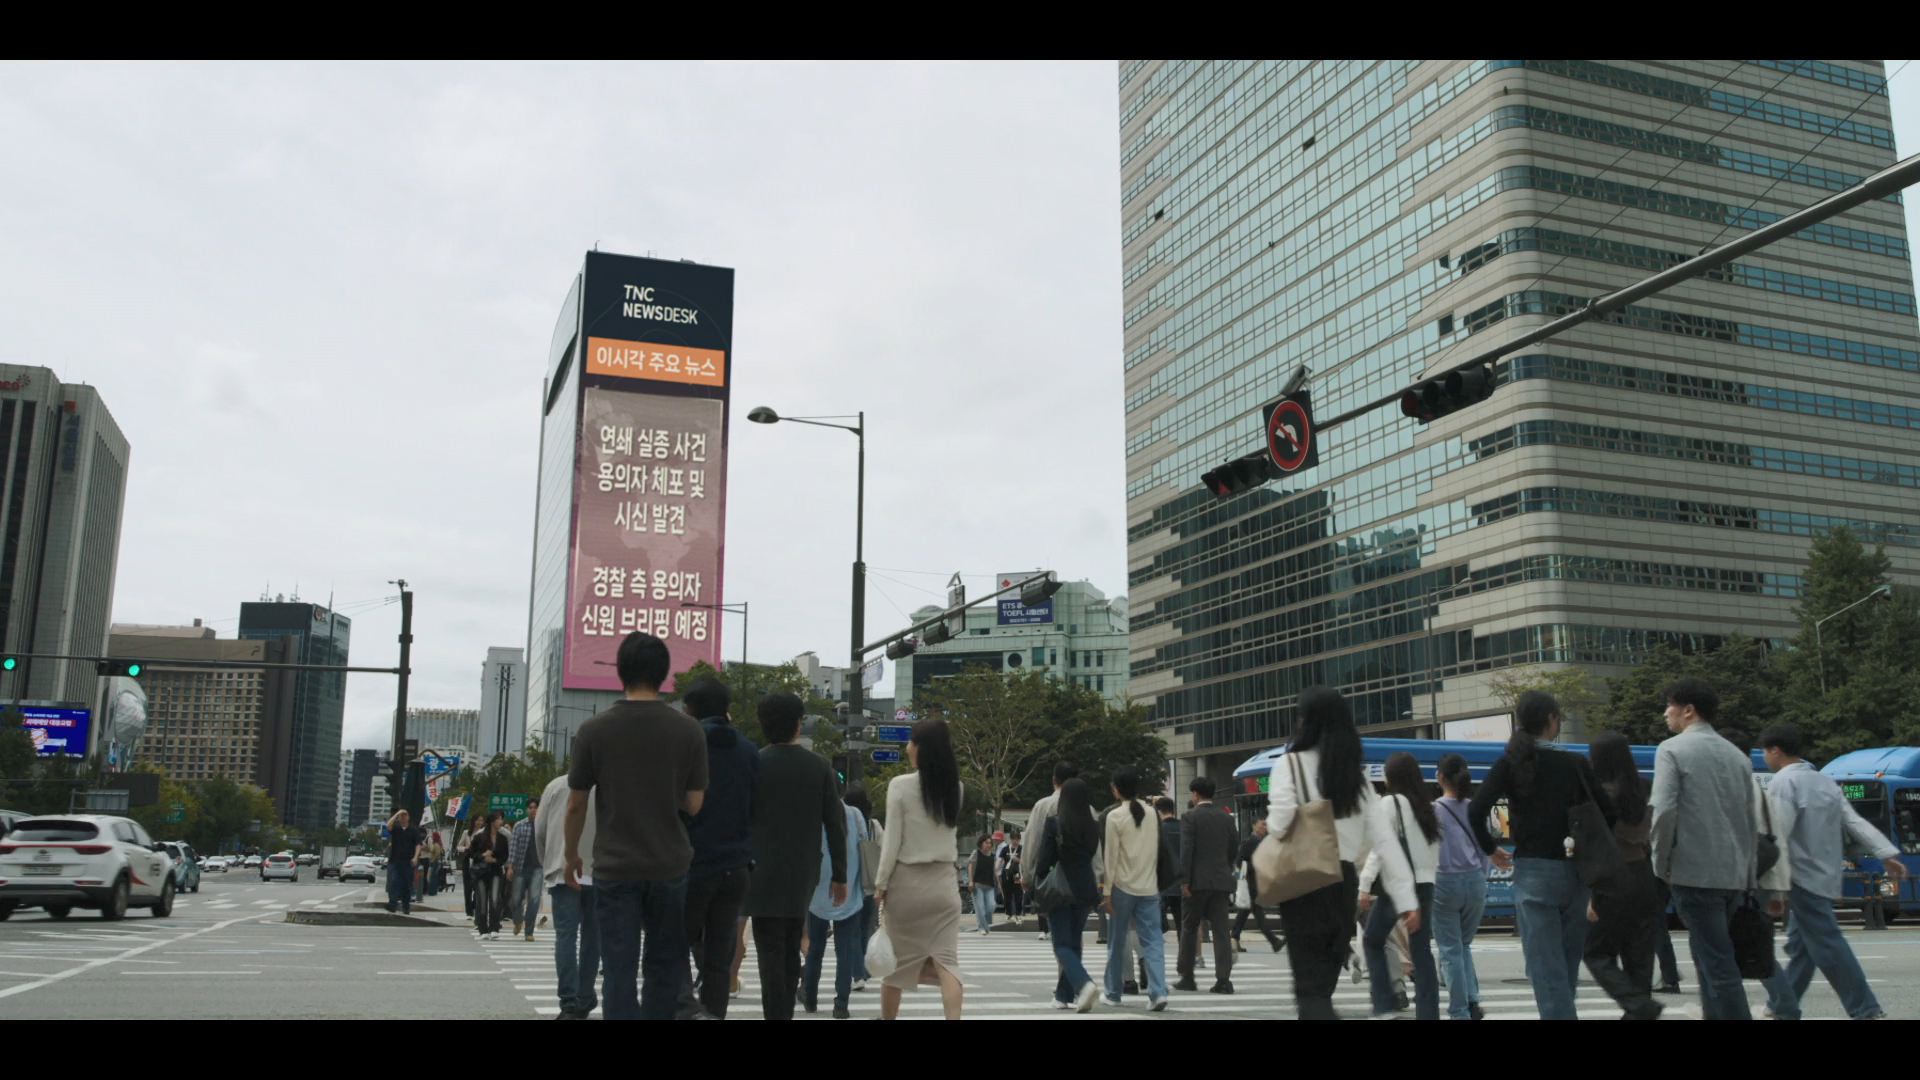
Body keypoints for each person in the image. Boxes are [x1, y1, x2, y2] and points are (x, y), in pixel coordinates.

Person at [563, 631, 709, 1022]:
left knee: (618, 967)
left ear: (621, 672)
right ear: (664, 674)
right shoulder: (688, 730)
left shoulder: (594, 730)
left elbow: (576, 803)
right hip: (669, 864)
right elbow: (694, 804)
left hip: (615, 866)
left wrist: (571, 854)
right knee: (663, 966)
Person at [1268, 686, 1418, 1021]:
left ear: (1305, 721)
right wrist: (1407, 899)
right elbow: (1385, 842)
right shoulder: (1356, 779)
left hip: (1302, 883)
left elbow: (1279, 824)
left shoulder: (1289, 765)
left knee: (1310, 991)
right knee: (1322, 986)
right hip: (1342, 885)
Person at [1469, 690, 1612, 1020]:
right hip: (1576, 871)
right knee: (1566, 963)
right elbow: (1608, 813)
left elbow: (1476, 811)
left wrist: (1490, 849)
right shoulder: (1575, 764)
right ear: (1551, 720)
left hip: (1533, 872)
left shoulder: (1510, 763)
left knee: (1546, 967)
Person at [1758, 724, 1910, 1021]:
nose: (1765, 757)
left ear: (1775, 750)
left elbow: (1778, 836)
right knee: (1802, 947)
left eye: (1765, 751)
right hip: (1825, 874)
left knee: (1828, 945)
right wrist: (1885, 854)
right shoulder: (1824, 782)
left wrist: (1774, 885)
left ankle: (1865, 1009)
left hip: (1800, 877)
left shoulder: (1782, 784)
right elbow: (1854, 821)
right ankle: (1781, 1006)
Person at [1648, 677, 1758, 1021]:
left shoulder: (1672, 749)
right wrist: (1748, 874)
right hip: (1733, 873)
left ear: (1688, 710)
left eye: (1669, 706)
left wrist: (1660, 862)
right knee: (1708, 959)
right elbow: (1749, 820)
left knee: (1718, 963)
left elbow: (1663, 811)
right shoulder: (1737, 756)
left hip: (1693, 871)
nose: (1666, 713)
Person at [742, 692, 847, 1022]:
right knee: (790, 944)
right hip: (802, 871)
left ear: (763, 724)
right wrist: (840, 875)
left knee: (768, 950)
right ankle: (784, 1010)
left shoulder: (753, 763)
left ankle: (776, 1012)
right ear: (798, 724)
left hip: (759, 870)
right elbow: (835, 825)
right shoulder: (819, 767)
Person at [874, 718, 966, 1021]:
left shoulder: (899, 786)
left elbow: (892, 841)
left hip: (907, 886)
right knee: (947, 963)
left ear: (922, 749)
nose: (907, 747)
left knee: (895, 967)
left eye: (912, 741)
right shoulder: (956, 789)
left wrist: (881, 884)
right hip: (944, 885)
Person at [681, 678, 759, 1020]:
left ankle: (685, 1010)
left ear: (691, 710)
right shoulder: (749, 751)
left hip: (693, 864)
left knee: (673, 945)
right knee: (718, 959)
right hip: (736, 867)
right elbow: (756, 807)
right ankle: (713, 1014)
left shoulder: (687, 745)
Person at [1580, 733, 1665, 1020]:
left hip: (1612, 877)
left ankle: (1638, 1004)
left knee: (1596, 953)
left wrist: (1591, 893)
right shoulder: (1643, 788)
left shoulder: (1596, 794)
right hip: (1643, 874)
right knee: (1639, 958)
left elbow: (1594, 843)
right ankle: (1640, 1005)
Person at [1359, 752, 1441, 1020]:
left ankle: (1385, 1004)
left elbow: (1380, 848)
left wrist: (1364, 884)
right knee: (1421, 950)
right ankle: (1428, 1014)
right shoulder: (1426, 806)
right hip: (1425, 883)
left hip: (1399, 884)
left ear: (1392, 777)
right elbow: (1433, 850)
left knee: (1373, 939)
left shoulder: (1390, 803)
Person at [1431, 752, 1496, 1021]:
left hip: (1444, 882)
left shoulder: (1432, 811)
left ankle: (1459, 1011)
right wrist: (1481, 876)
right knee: (1463, 945)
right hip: (1475, 880)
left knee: (1450, 950)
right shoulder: (1476, 809)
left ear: (1440, 777)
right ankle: (1472, 1001)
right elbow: (1485, 850)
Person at [1102, 770, 1170, 1011]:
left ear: (1116, 789)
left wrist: (1106, 892)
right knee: (1153, 942)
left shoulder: (1114, 816)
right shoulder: (1152, 813)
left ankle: (1113, 992)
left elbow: (1111, 857)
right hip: (1149, 887)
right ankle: (1158, 992)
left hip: (1122, 887)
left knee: (1117, 941)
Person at [1033, 776, 1102, 1013]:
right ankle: (1063, 995)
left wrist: (1038, 882)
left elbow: (1045, 860)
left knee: (1061, 944)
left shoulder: (1055, 823)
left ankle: (1084, 983)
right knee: (1074, 941)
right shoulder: (1093, 825)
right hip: (1086, 887)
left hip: (1061, 888)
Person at [537, 771, 600, 1019]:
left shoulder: (555, 786)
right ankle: (584, 996)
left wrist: (548, 862)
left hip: (561, 870)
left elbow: (540, 830)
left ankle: (569, 1000)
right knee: (592, 938)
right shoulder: (604, 786)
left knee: (565, 936)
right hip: (597, 870)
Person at [803, 793, 869, 1019]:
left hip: (817, 893)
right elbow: (865, 847)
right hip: (849, 890)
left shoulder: (812, 813)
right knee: (845, 951)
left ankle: (810, 997)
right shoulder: (856, 815)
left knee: (815, 948)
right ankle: (841, 1004)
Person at [1177, 776, 1237, 994]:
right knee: (1221, 931)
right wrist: (1224, 868)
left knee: (1190, 927)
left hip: (1196, 883)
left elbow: (1187, 851)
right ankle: (1223, 980)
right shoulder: (1226, 818)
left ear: (1195, 794)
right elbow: (1233, 848)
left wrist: (1184, 880)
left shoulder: (1189, 817)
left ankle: (1187, 976)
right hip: (1221, 881)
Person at [1022, 762, 1076, 943]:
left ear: (1054, 780)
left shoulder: (1043, 806)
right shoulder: (1087, 808)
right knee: (1073, 932)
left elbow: (1032, 841)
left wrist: (1027, 874)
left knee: (1060, 931)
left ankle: (1067, 959)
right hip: (1080, 878)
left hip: (1050, 878)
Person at [844, 785, 883, 991]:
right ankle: (864, 970)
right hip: (869, 882)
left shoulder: (842, 820)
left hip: (849, 882)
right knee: (866, 928)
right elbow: (883, 850)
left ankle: (857, 973)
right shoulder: (873, 825)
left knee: (852, 930)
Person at [1232, 819, 1285, 954]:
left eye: (1266, 825)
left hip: (1256, 884)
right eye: (1262, 824)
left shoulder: (1261, 841)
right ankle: (1274, 941)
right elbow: (1239, 862)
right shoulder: (1250, 842)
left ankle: (1234, 938)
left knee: (1244, 913)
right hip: (1251, 884)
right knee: (1259, 915)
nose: (1264, 827)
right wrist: (1255, 866)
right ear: (1254, 826)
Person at [505, 798, 542, 940]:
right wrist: (510, 866)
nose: (533, 810)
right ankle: (518, 921)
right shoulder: (519, 825)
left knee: (534, 900)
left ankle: (529, 931)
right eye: (530, 807)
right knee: (516, 899)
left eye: (535, 807)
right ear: (527, 810)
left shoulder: (544, 826)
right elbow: (513, 847)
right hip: (520, 867)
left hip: (538, 868)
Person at [469, 812, 509, 938]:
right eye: (499, 819)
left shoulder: (502, 838)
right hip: (481, 873)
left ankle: (494, 927)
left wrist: (495, 860)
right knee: (482, 900)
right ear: (492, 821)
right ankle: (483, 929)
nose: (501, 821)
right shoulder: (479, 837)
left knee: (495, 899)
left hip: (496, 871)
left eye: (501, 819)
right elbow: (471, 853)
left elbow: (505, 856)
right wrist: (482, 856)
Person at [384, 809, 423, 916]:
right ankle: (392, 904)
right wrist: (397, 814)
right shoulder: (396, 829)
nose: (403, 818)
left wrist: (415, 857)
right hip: (395, 860)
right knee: (394, 882)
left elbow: (418, 844)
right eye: (401, 816)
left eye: (405, 815)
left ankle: (406, 907)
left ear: (408, 818)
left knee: (407, 884)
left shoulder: (413, 830)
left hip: (408, 861)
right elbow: (388, 826)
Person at [1155, 798, 1183, 936]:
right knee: (1182, 925)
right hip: (1182, 883)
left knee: (1156, 923)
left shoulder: (1158, 830)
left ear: (1159, 811)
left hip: (1163, 883)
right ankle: (1183, 949)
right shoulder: (1183, 828)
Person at [969, 836, 998, 935]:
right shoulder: (976, 853)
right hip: (978, 885)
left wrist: (998, 883)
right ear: (981, 843)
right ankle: (982, 927)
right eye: (986, 842)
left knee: (991, 906)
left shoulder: (993, 856)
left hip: (990, 886)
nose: (988, 845)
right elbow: (970, 866)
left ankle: (986, 925)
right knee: (980, 908)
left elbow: (994, 871)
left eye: (990, 843)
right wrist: (970, 881)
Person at [999, 832, 1025, 923]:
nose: (1015, 841)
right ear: (1010, 839)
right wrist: (997, 870)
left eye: (1017, 839)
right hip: (1006, 874)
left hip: (1017, 874)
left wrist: (1017, 860)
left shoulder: (1022, 849)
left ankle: (1018, 913)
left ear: (1019, 840)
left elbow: (1025, 861)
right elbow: (1000, 860)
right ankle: (1009, 914)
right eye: (1013, 839)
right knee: (1007, 895)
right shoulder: (1005, 849)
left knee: (1018, 895)